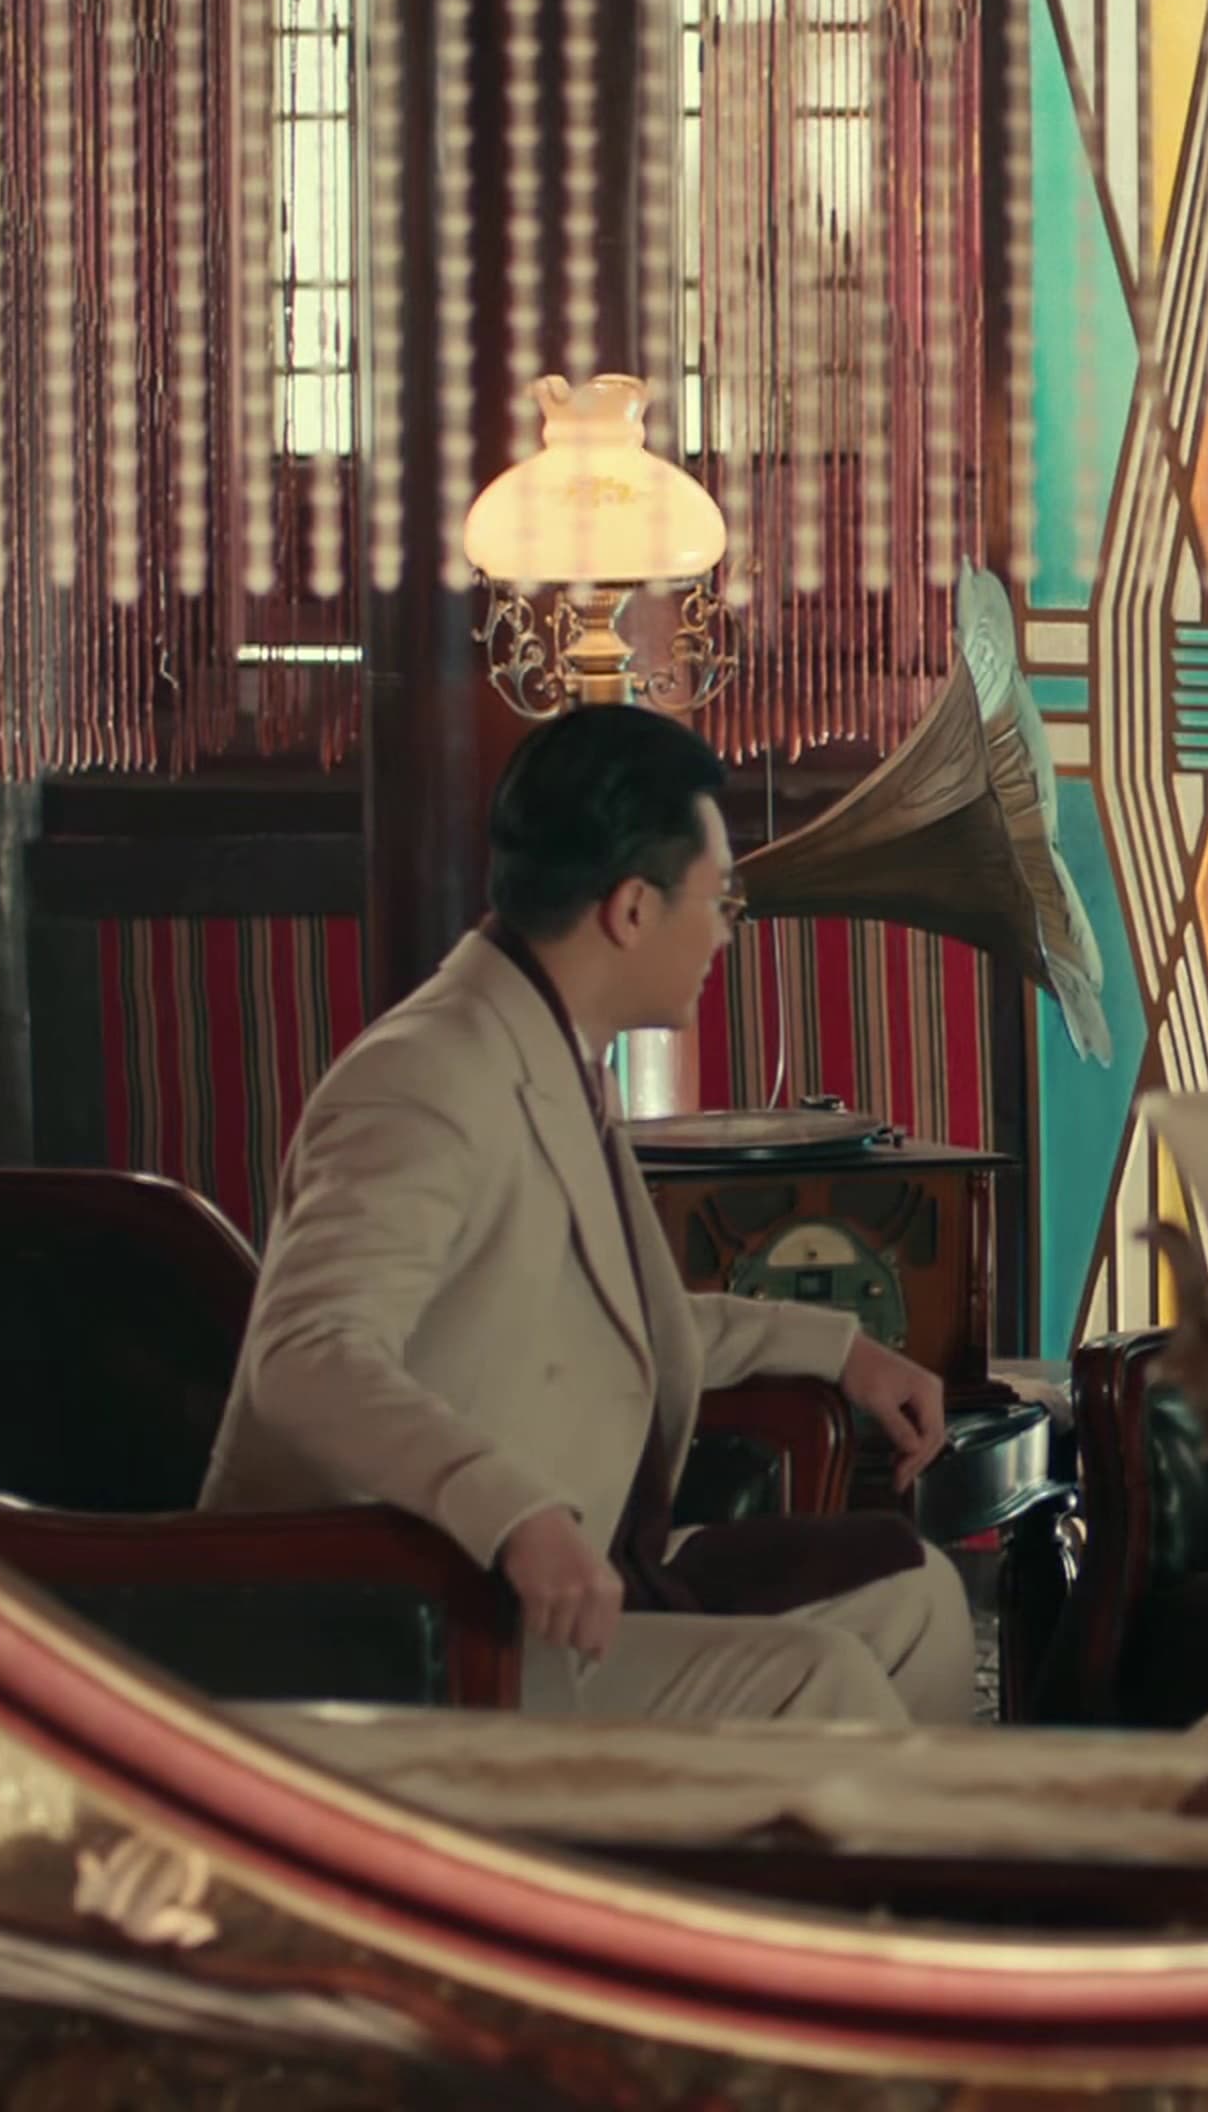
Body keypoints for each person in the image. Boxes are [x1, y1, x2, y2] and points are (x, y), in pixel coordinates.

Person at [200, 705, 977, 1724]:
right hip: (398, 1626)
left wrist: (840, 1351)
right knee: (815, 1677)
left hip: (530, 1581)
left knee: (919, 1598)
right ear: (631, 910)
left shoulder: (550, 1048)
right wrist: (513, 1511)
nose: (728, 931)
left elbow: (594, 1319)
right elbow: (304, 1356)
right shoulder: (426, 1077)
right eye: (719, 900)